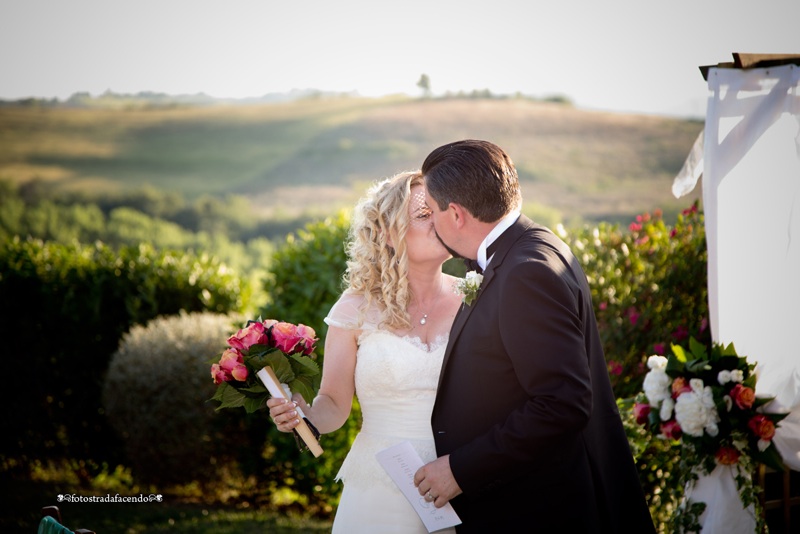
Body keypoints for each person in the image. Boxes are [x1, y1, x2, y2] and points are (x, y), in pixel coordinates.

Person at [412, 140, 656, 533]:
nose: (431, 222)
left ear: (456, 214)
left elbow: (562, 402)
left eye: (432, 212)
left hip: (541, 507)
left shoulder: (526, 272)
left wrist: (460, 469)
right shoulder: (533, 245)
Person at [267, 170, 463, 533]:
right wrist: (302, 414)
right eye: (422, 215)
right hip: (380, 488)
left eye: (439, 210)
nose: (437, 221)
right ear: (389, 234)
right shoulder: (354, 308)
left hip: (462, 482)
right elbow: (334, 406)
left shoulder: (475, 299)